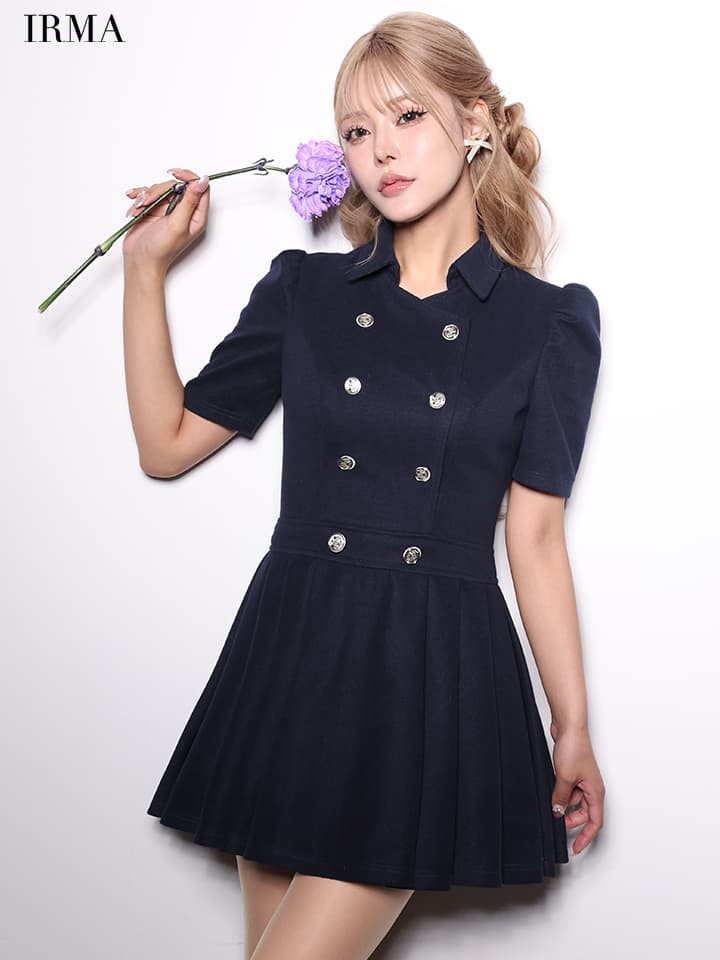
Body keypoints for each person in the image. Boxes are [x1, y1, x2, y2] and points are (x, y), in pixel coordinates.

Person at [121, 11, 605, 960]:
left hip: (427, 667)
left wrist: (573, 723)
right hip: (294, 648)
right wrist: (145, 272)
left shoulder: (547, 323)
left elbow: (536, 537)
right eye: (355, 130)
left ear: (474, 121)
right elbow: (166, 444)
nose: (381, 150)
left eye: (407, 116)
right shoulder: (305, 291)